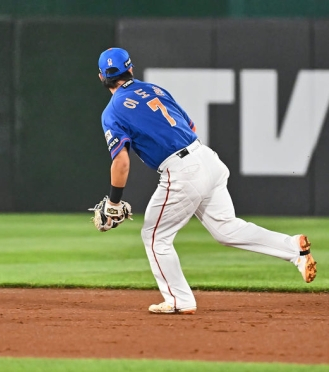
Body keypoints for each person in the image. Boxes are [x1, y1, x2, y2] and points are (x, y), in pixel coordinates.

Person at [96, 48, 317, 314]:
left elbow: (121, 162)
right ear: (131, 69)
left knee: (155, 237)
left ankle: (180, 300)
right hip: (206, 158)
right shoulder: (156, 90)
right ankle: (292, 248)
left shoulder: (112, 112)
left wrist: (114, 201)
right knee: (227, 229)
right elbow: (190, 128)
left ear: (101, 77)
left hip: (181, 170)